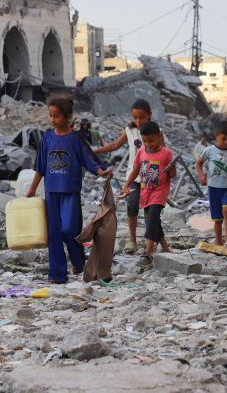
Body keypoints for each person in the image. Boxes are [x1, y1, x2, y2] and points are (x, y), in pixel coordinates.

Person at [27, 97, 112, 284]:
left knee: (68, 230)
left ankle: (80, 263)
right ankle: (57, 274)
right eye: (50, 116)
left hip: (70, 192)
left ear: (68, 116)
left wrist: (102, 172)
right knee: (54, 234)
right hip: (51, 193)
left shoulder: (75, 140)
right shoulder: (47, 138)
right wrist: (32, 188)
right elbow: (40, 167)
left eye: (56, 116)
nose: (52, 120)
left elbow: (89, 161)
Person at [94, 99, 153, 254]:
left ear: (149, 116)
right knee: (132, 207)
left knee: (149, 211)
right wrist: (95, 151)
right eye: (135, 117)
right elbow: (114, 145)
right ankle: (132, 240)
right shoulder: (130, 130)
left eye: (142, 117)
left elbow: (163, 152)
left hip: (150, 179)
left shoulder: (155, 131)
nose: (138, 121)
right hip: (132, 177)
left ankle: (149, 242)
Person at [121, 121, 175, 267]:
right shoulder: (141, 152)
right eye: (145, 141)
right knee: (154, 221)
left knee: (151, 220)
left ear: (159, 137)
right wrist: (126, 185)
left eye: (151, 140)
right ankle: (165, 247)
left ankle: (148, 253)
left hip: (159, 192)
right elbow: (135, 170)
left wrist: (171, 168)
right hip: (146, 192)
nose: (148, 143)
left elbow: (173, 174)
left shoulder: (166, 153)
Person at [195, 120, 227, 250]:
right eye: (224, 139)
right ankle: (218, 241)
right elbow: (198, 163)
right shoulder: (209, 151)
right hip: (213, 188)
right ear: (216, 136)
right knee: (217, 219)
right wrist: (201, 176)